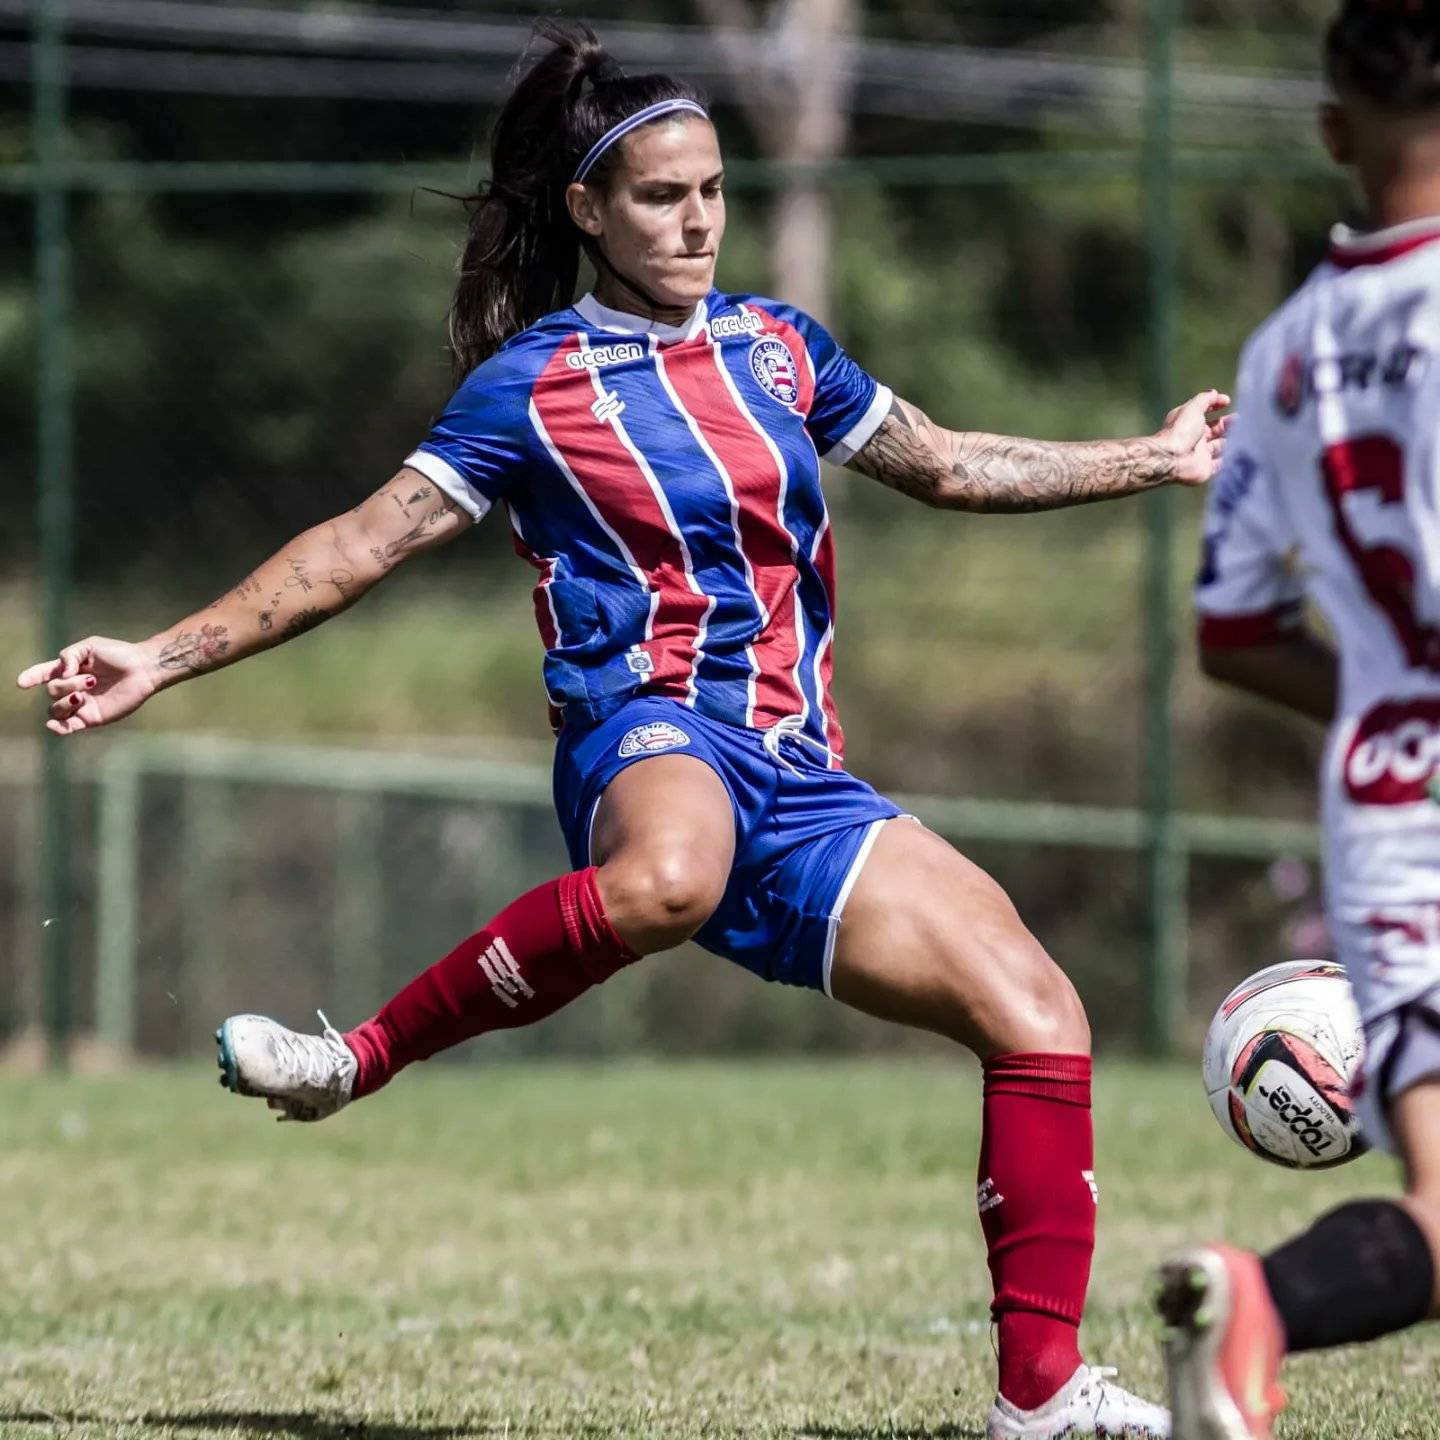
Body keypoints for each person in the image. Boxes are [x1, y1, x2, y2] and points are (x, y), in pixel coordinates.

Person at [19, 23, 1228, 1437]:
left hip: (799, 773)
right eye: (661, 194)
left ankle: (1040, 1397)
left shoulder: (782, 350)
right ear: (589, 209)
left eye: (714, 187)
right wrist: (159, 655)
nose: (699, 217)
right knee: (670, 876)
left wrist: (1157, 456)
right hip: (644, 739)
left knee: (1040, 1013)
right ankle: (356, 1059)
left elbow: (950, 462)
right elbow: (356, 547)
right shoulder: (533, 384)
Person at [1161, 1, 1440, 1433]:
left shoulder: (1285, 354)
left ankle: (1259, 1303)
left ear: (1335, 131)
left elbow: (1233, 637)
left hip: (1393, 810)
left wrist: (1398, 702)